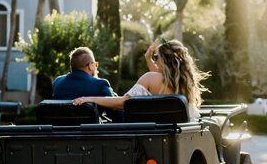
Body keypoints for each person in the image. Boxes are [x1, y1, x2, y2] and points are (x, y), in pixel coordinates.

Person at [72, 39, 208, 119]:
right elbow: (159, 76)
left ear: (164, 61)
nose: (155, 62)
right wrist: (149, 59)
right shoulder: (182, 83)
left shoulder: (151, 79)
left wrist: (90, 98)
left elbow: (122, 103)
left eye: (157, 58)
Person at [51, 46, 117, 102]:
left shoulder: (57, 82)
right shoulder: (100, 85)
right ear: (90, 66)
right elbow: (117, 114)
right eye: (95, 64)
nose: (96, 68)